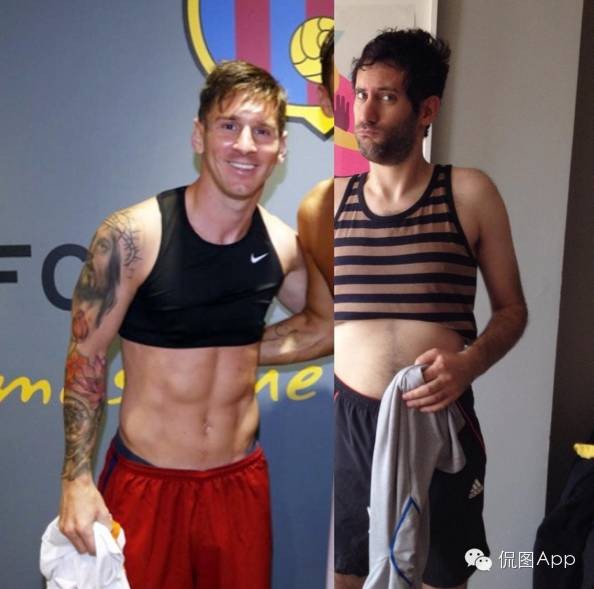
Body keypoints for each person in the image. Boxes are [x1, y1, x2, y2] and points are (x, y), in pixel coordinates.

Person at [58, 60, 332, 589]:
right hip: (147, 484)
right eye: (229, 126)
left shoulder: (281, 245)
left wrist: (246, 350)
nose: (245, 145)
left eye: (263, 132)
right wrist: (75, 479)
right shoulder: (133, 237)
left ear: (281, 149)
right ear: (199, 135)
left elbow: (325, 325)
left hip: (239, 484)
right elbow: (85, 358)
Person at [334, 29, 528, 589]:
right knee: (350, 577)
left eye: (386, 97)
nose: (366, 112)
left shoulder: (468, 193)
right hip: (351, 427)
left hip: (438, 419)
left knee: (442, 578)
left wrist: (470, 363)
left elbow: (512, 309)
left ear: (427, 110)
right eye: (361, 94)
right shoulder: (333, 202)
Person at [260, 29, 334, 362]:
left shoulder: (460, 194)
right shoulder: (319, 210)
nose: (244, 146)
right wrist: (208, 350)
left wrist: (469, 360)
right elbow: (325, 328)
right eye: (229, 126)